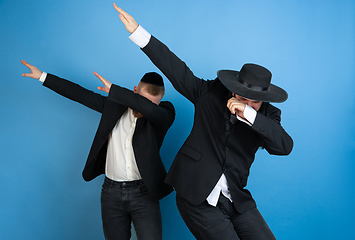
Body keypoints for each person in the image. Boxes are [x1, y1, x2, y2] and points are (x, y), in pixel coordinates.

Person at [113, 4, 294, 240]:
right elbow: (177, 70)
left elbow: (284, 146)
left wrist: (250, 116)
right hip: (195, 194)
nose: (246, 104)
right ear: (233, 90)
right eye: (241, 98)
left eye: (254, 102)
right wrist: (138, 32)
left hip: (236, 198)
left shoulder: (268, 117)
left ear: (264, 100)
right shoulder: (210, 94)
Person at [21, 59, 175, 240]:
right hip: (111, 193)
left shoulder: (164, 113)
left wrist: (118, 92)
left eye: (152, 104)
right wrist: (43, 77)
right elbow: (80, 94)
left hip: (144, 193)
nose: (145, 108)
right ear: (134, 90)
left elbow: (153, 111)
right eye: (141, 100)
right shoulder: (115, 107)